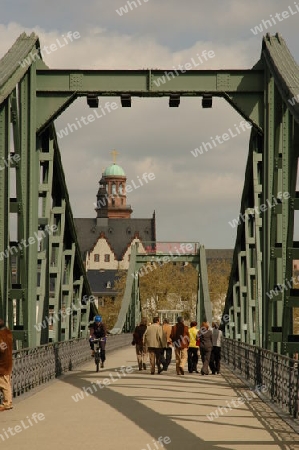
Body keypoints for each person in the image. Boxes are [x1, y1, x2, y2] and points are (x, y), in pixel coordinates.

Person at [0, 318, 13, 411]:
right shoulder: (8, 333)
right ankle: (8, 402)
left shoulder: (1, 335)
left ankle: (7, 403)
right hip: (8, 363)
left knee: (4, 385)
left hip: (2, 364)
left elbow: (2, 349)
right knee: (6, 383)